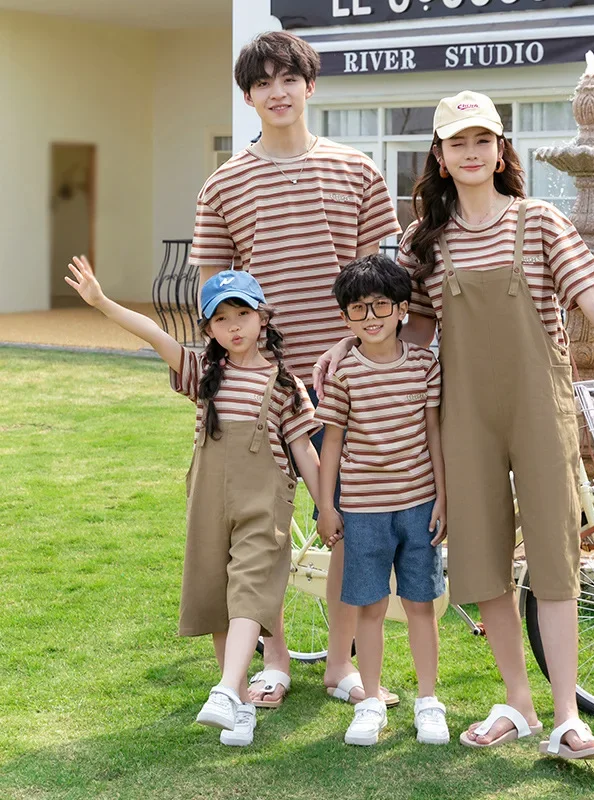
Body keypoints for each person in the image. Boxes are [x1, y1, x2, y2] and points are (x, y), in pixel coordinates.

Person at [316, 91, 594, 760]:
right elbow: (411, 327)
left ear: (500, 150)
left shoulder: (539, 222)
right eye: (458, 142)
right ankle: (517, 702)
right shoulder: (422, 241)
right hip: (465, 420)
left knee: (554, 562)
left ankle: (566, 718)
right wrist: (347, 351)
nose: (471, 152)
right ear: (440, 154)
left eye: (483, 139)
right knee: (485, 564)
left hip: (539, 414)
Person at [190, 30, 402, 710]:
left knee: (350, 519)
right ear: (248, 95)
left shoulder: (358, 170)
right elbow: (211, 290)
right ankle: (274, 659)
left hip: (347, 376)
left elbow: (380, 280)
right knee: (261, 524)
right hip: (264, 385)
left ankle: (339, 665)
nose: (277, 92)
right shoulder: (224, 182)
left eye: (290, 78)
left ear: (310, 86)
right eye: (263, 82)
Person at [65, 258, 334, 747]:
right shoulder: (202, 372)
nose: (234, 327)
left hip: (264, 503)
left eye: (243, 314)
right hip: (209, 501)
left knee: (250, 588)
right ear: (208, 328)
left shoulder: (287, 386)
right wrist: (102, 302)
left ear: (263, 318)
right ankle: (239, 705)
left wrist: (328, 508)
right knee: (216, 596)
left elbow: (304, 453)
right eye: (221, 319)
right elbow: (154, 335)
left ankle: (229, 688)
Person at [315, 255, 448, 747]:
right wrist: (328, 506)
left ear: (401, 310)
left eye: (379, 307)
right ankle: (369, 700)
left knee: (420, 604)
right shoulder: (343, 372)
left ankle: (428, 702)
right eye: (357, 310)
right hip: (363, 509)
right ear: (344, 318)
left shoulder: (424, 367)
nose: (369, 319)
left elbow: (434, 432)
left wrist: (444, 497)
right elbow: (332, 441)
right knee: (369, 608)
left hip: (418, 504)